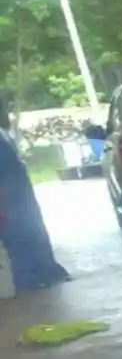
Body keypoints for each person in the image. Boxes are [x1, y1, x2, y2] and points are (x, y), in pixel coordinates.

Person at [0, 101, 72, 291]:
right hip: (14, 203)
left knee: (28, 242)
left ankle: (39, 279)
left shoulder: (3, 137)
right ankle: (32, 285)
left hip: (17, 202)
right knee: (23, 245)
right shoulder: (2, 138)